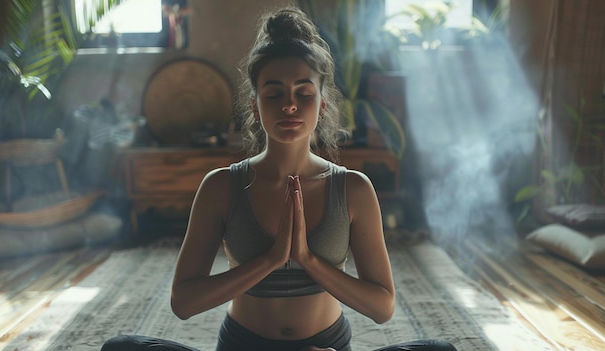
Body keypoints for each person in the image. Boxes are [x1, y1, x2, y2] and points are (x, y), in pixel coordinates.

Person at [101, 6, 457, 351]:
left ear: (322, 104)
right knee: (121, 348)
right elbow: (184, 302)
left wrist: (307, 259)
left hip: (325, 348)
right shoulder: (221, 186)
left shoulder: (353, 188)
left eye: (304, 93)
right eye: (274, 94)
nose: (289, 105)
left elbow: (382, 308)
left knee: (439, 349)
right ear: (256, 105)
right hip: (244, 346)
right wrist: (270, 259)